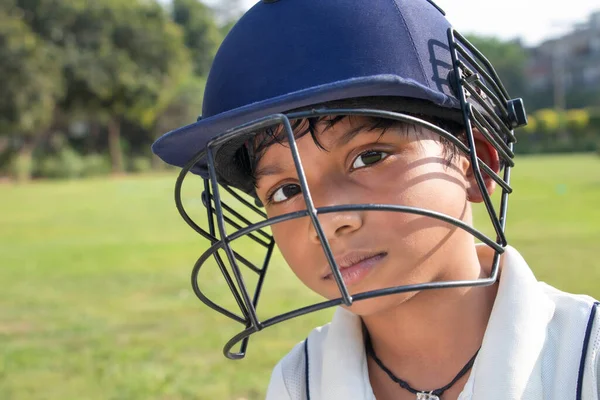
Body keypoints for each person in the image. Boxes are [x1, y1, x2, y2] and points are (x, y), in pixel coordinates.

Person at [152, 0, 600, 399]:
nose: (325, 220)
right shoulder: (299, 383)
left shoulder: (587, 358)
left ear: (475, 161)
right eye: (286, 191)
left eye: (368, 158)